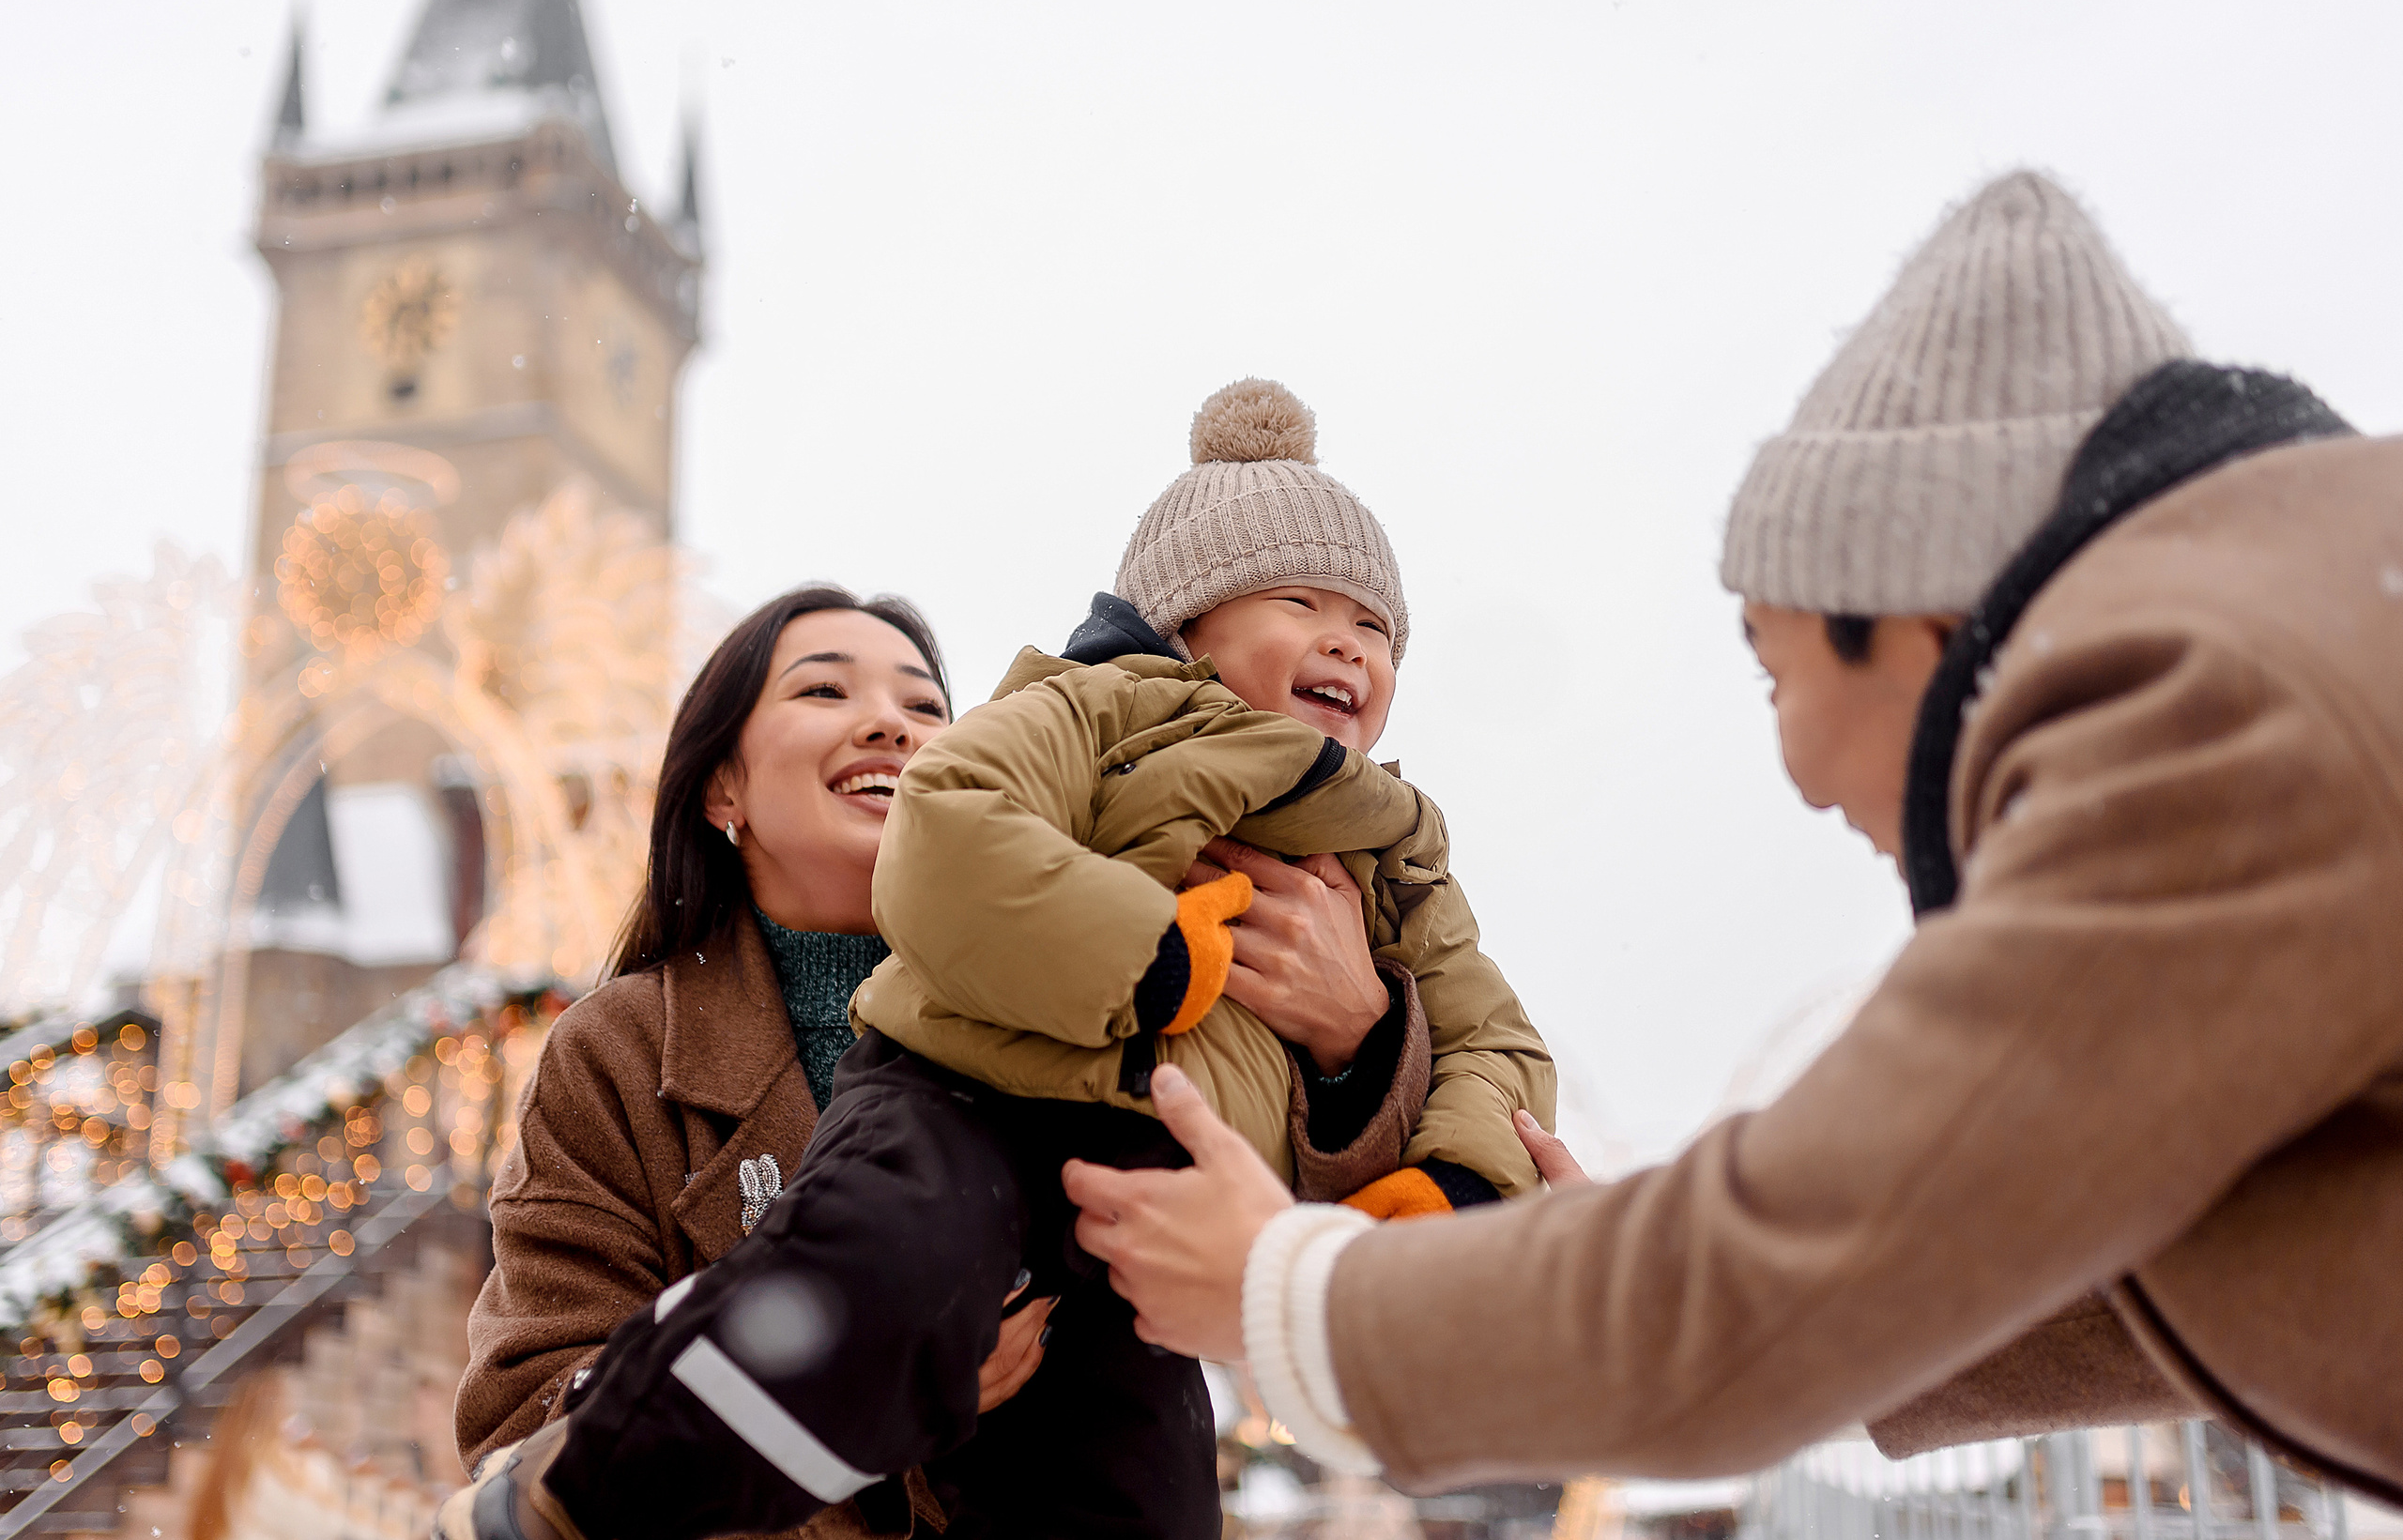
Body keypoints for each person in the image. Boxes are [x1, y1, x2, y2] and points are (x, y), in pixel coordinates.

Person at [1065, 171, 2403, 1504]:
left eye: (1772, 669)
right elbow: (2044, 1248)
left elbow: (1795, 1273)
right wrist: (1624, 1263)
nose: (1803, 778)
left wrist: (1292, 1297)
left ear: (1917, 610)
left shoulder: (2216, 721)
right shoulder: (2319, 637)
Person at [445, 582, 1435, 1538]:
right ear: (721, 784)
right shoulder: (617, 1053)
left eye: (926, 705)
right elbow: (526, 1417)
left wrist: (1354, 1034)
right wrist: (858, 1406)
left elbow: (1312, 1237)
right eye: (824, 689)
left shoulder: (1098, 975)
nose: (890, 724)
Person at [854, 375, 1554, 1214]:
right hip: (966, 1109)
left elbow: (1493, 1039)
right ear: (1184, 626)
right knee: (865, 1282)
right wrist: (1151, 954)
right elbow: (950, 820)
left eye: (1375, 627)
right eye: (1299, 602)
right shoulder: (1101, 712)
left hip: (1173, 1198)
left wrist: (1453, 1181)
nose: (1348, 642)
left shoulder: (1394, 848)